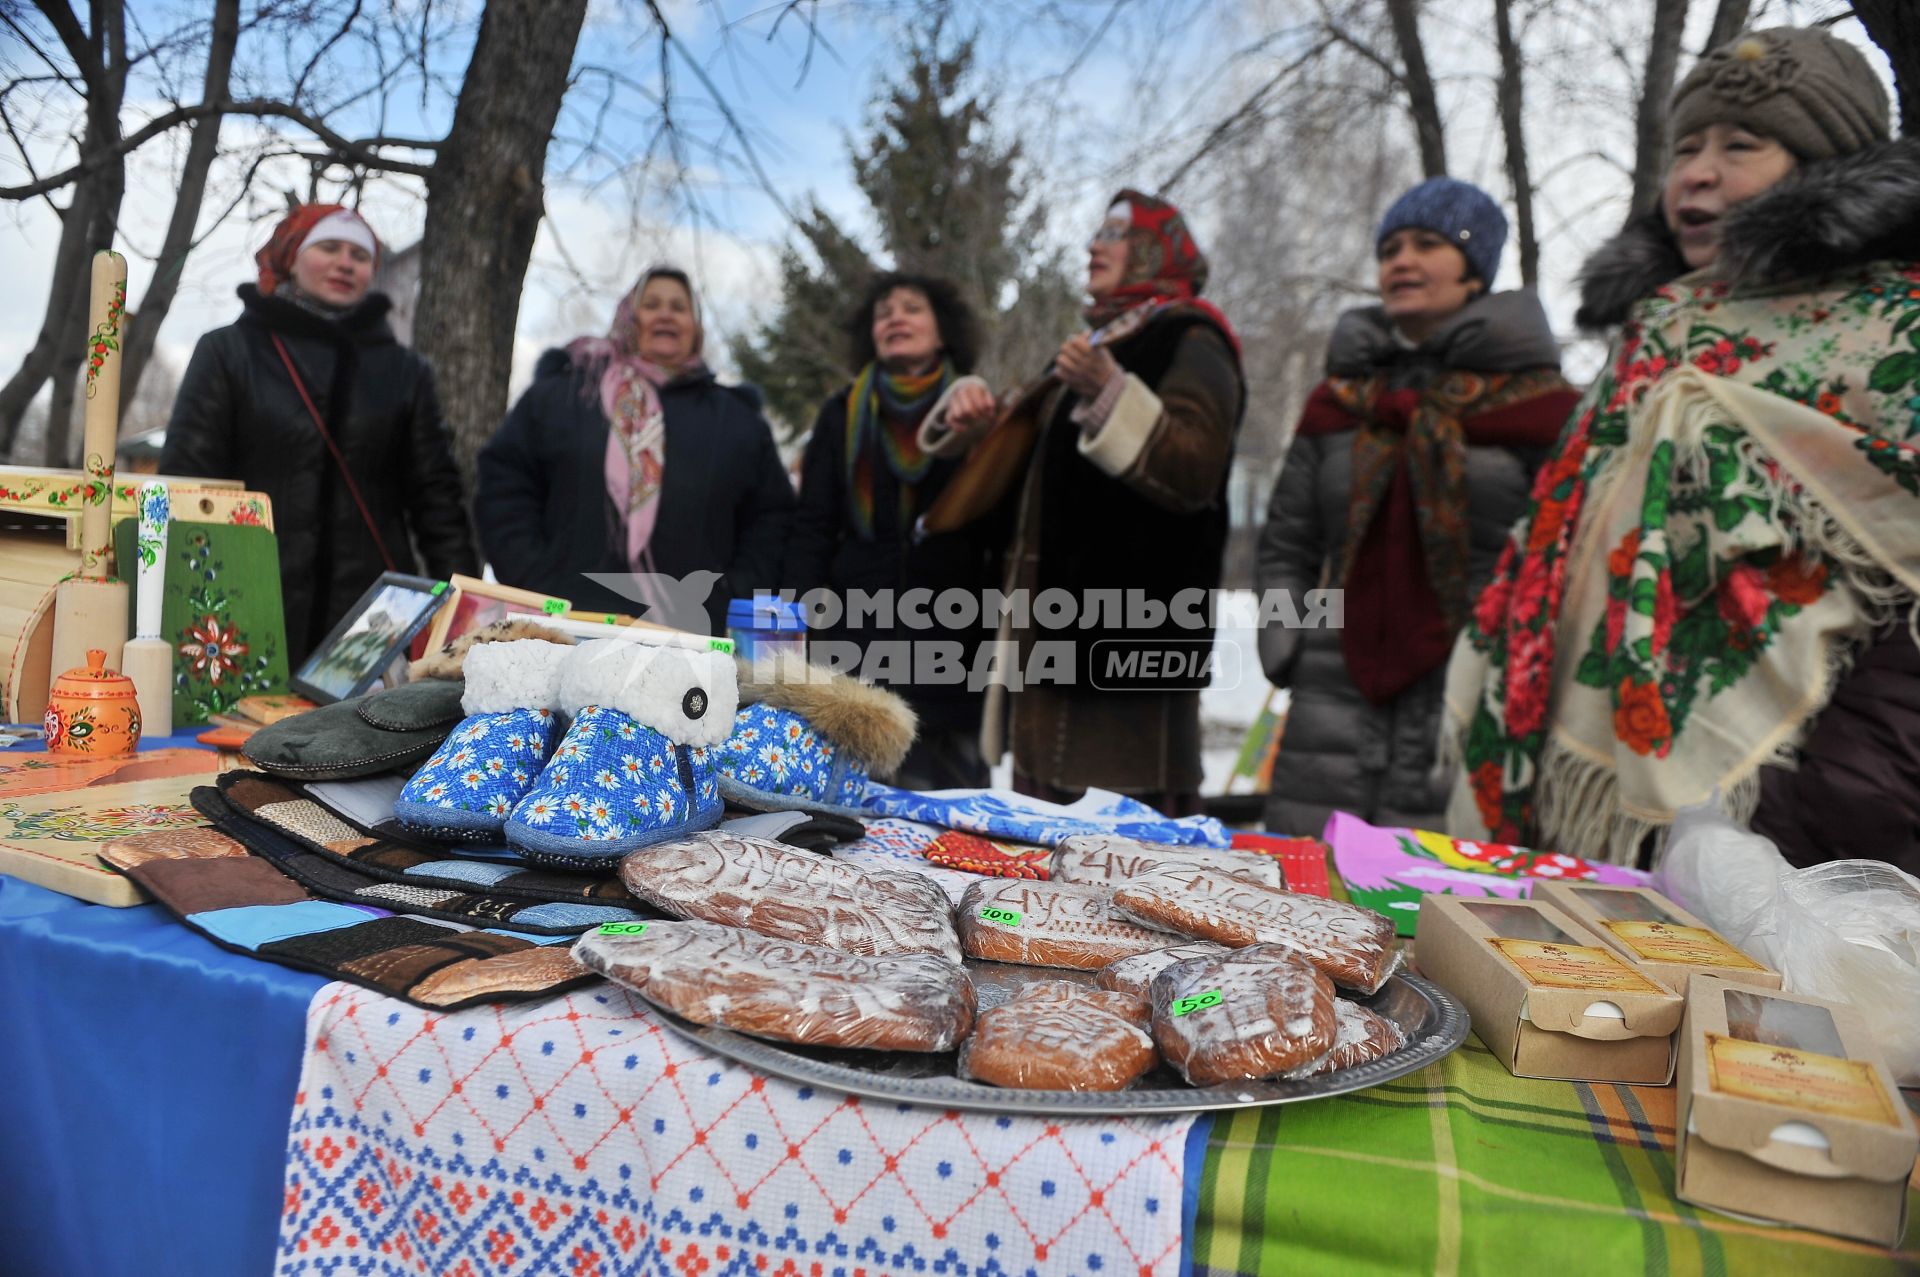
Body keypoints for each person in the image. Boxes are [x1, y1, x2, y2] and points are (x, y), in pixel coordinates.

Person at [1445, 27, 1920, 873]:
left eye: (1742, 145)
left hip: (1780, 808)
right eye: (1687, 146)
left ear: (1827, 166)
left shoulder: (1896, 331)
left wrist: (1829, 796)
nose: (1698, 172)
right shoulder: (1659, 327)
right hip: (1570, 789)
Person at [1255, 179, 1579, 836]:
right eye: (1390, 248)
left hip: (1471, 689)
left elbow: (1564, 552)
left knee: (1444, 903)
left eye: (1427, 245)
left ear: (1474, 272)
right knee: (1305, 896)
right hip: (1330, 691)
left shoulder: (1544, 406)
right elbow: (1288, 542)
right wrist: (1287, 640)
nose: (1400, 261)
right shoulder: (1338, 401)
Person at [963, 190, 1245, 815]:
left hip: (1129, 656)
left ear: (1152, 250)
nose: (1093, 245)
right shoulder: (1101, 342)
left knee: (1125, 858)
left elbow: (1194, 468)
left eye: (1114, 234)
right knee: (1048, 849)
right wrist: (979, 420)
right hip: (1055, 642)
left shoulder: (1192, 339)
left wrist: (1111, 390)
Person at [161, 204, 478, 664]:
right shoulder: (229, 352)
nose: (345, 263)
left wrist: (466, 611)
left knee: (366, 733)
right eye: (328, 248)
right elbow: (186, 484)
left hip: (372, 619)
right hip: (244, 604)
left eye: (360, 255)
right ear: (290, 257)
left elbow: (437, 501)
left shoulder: (404, 371)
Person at [476, 266, 794, 633]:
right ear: (629, 317)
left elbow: (771, 519)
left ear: (696, 328)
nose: (665, 314)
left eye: (679, 306)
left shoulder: (738, 421)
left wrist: (729, 595)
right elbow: (505, 485)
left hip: (691, 636)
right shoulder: (565, 394)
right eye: (652, 304)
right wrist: (536, 580)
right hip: (563, 628)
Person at [783, 272, 1001, 789]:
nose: (895, 318)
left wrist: (980, 432)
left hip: (954, 645)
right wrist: (794, 621)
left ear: (943, 330)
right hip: (854, 643)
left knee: (954, 827)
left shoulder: (977, 412)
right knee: (852, 819)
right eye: (884, 312)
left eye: (911, 308)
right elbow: (812, 527)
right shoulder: (841, 415)